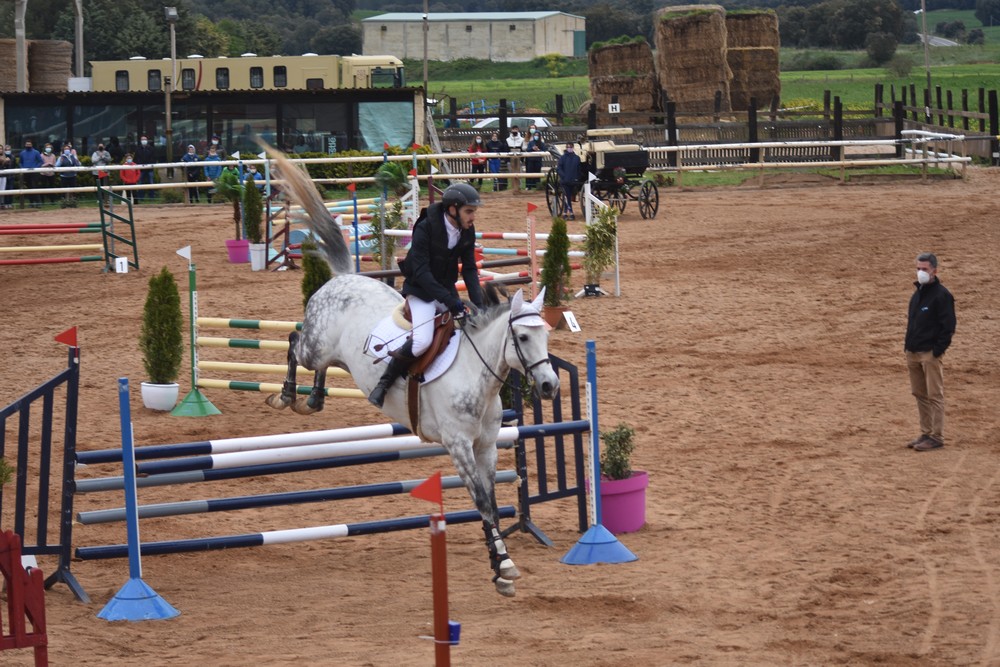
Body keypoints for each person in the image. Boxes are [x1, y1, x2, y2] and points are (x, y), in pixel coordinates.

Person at [368, 182, 485, 408]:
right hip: (420, 290)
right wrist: (451, 301)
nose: (472, 217)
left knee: (470, 330)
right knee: (422, 340)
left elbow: (469, 269)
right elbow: (421, 272)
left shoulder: (467, 230)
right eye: (469, 211)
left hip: (445, 288)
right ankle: (384, 383)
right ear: (453, 209)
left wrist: (479, 306)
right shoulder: (426, 227)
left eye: (474, 212)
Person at [904, 252, 956, 452]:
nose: (920, 272)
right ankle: (925, 433)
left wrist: (937, 351)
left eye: (924, 269)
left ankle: (936, 436)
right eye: (918, 268)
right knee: (919, 393)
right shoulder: (917, 294)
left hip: (929, 353)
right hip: (913, 351)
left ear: (934, 270)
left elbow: (948, 326)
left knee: (934, 394)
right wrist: (907, 347)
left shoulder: (942, 295)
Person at [556, 142, 581, 220]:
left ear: (573, 148)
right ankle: (569, 212)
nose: (569, 148)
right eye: (568, 147)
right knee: (567, 196)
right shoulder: (562, 158)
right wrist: (564, 176)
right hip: (565, 181)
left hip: (574, 181)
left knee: (569, 196)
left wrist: (577, 178)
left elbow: (578, 169)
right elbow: (559, 169)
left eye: (570, 147)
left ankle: (566, 212)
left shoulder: (577, 158)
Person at [17, 140, 43, 207]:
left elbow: (40, 161)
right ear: (25, 145)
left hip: (34, 173)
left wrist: (35, 168)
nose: (28, 145)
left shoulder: (36, 152)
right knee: (29, 188)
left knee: (35, 187)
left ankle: (38, 202)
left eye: (29, 144)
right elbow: (20, 162)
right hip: (26, 173)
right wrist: (22, 168)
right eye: (27, 144)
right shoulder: (22, 153)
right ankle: (31, 203)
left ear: (32, 145)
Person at [134, 135, 156, 202]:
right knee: (140, 183)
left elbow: (154, 158)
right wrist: (141, 165)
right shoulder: (138, 149)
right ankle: (141, 198)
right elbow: (136, 158)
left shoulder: (151, 148)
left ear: (147, 140)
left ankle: (152, 198)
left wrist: (148, 164)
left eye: (145, 139)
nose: (144, 141)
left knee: (151, 183)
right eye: (142, 139)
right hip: (141, 169)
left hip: (149, 169)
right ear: (140, 141)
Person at [505, 125, 524, 191]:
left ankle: (519, 187)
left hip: (519, 159)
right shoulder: (507, 140)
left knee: (519, 173)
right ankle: (513, 188)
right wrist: (507, 160)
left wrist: (521, 159)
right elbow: (506, 150)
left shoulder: (522, 140)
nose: (514, 131)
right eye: (513, 129)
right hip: (510, 159)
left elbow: (523, 149)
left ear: (518, 130)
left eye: (516, 129)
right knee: (511, 173)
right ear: (511, 130)